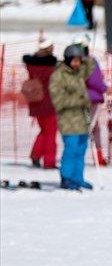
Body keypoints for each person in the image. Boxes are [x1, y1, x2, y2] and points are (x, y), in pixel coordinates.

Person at [48, 43, 94, 190]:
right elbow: (58, 100)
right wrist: (79, 100)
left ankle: (78, 178)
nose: (77, 64)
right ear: (67, 60)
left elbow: (90, 66)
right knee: (71, 149)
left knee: (81, 149)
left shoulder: (78, 73)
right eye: (74, 60)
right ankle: (66, 177)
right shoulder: (59, 76)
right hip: (68, 120)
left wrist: (85, 54)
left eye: (79, 61)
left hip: (81, 119)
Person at [21, 39, 58, 169]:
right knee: (50, 133)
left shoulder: (31, 64)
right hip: (50, 103)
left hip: (36, 103)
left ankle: (36, 154)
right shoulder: (52, 67)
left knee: (44, 130)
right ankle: (49, 161)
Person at [76, 36, 108, 165]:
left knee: (90, 128)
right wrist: (106, 88)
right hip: (91, 99)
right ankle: (96, 157)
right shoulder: (90, 61)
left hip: (78, 99)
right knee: (91, 129)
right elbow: (95, 81)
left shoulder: (73, 63)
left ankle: (96, 156)